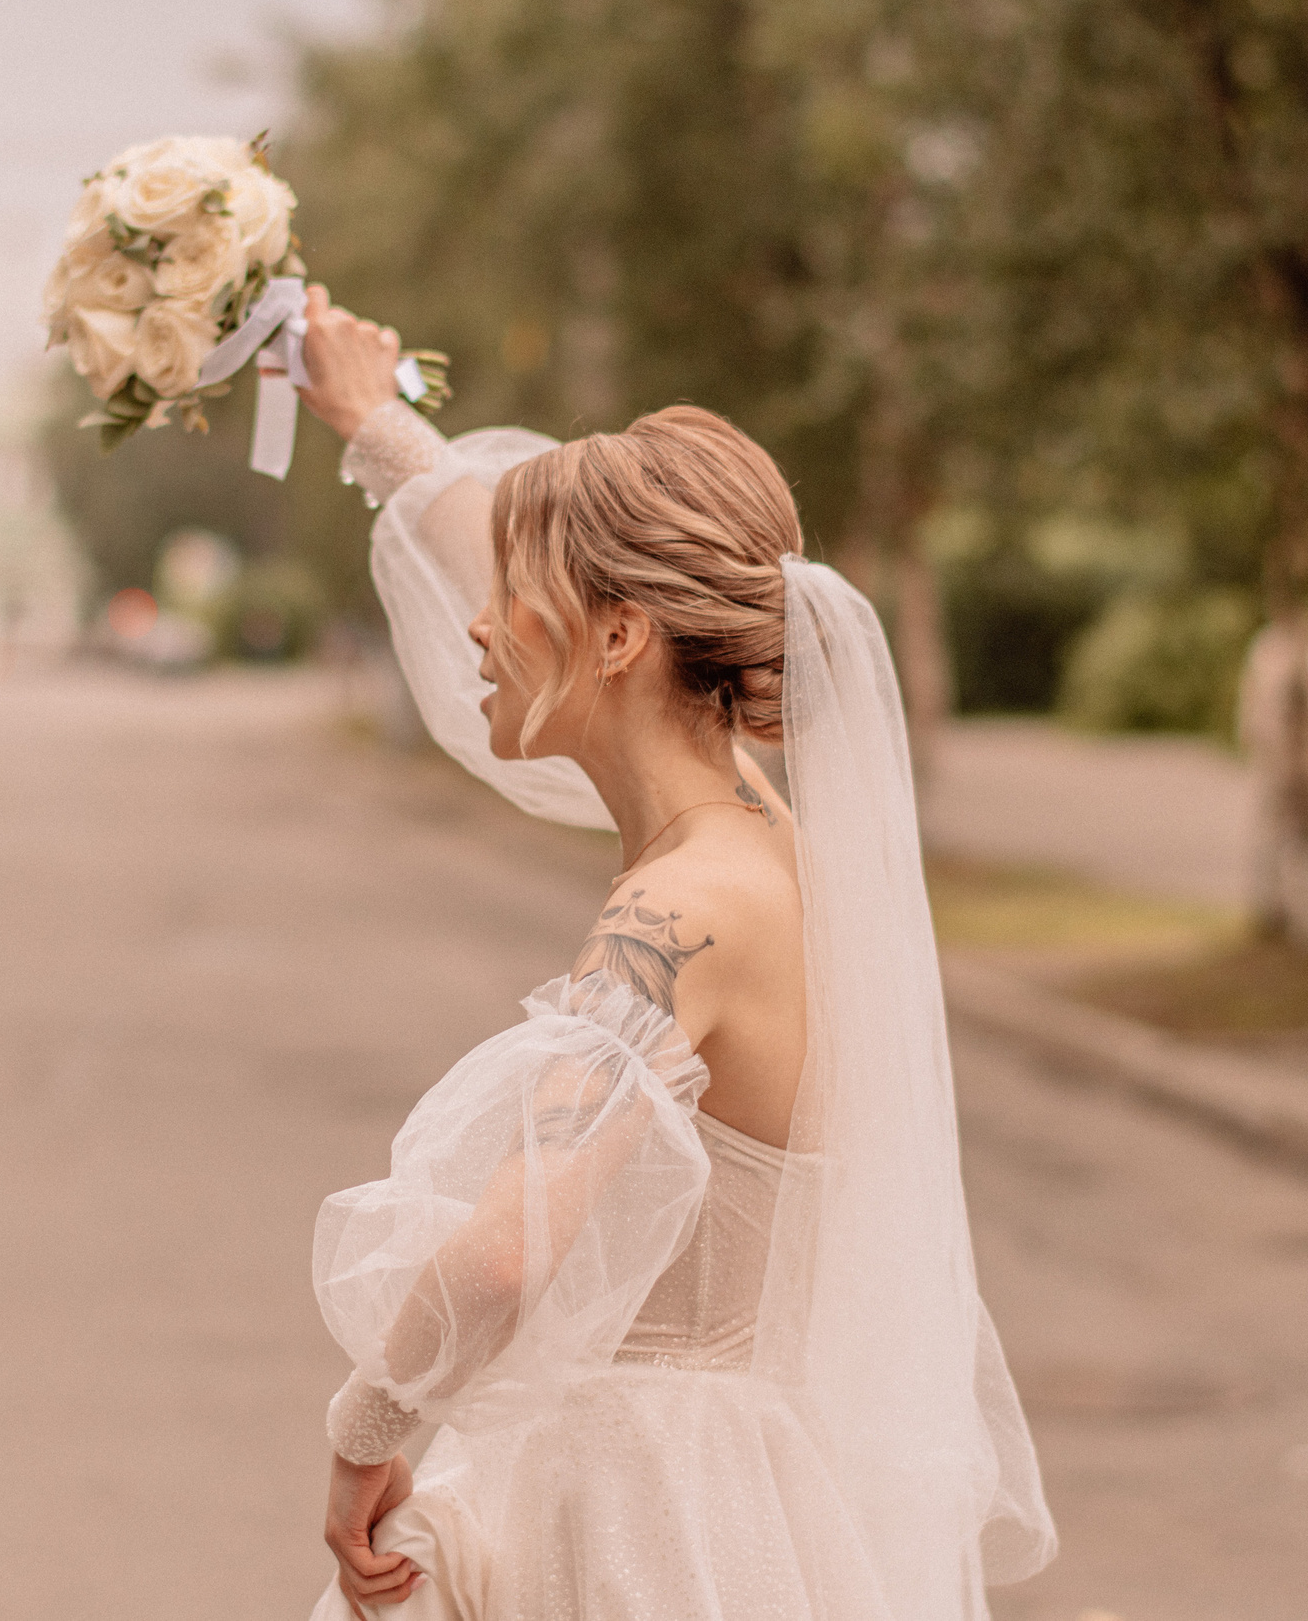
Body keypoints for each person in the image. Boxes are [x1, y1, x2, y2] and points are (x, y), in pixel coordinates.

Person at [293, 287, 1055, 1621]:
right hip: (738, 1493)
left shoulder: (678, 914)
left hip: (643, 1524)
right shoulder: (761, 827)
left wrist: (365, 1432)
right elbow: (530, 561)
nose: (475, 625)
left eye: (510, 600)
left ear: (624, 634)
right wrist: (377, 427)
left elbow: (513, 1248)